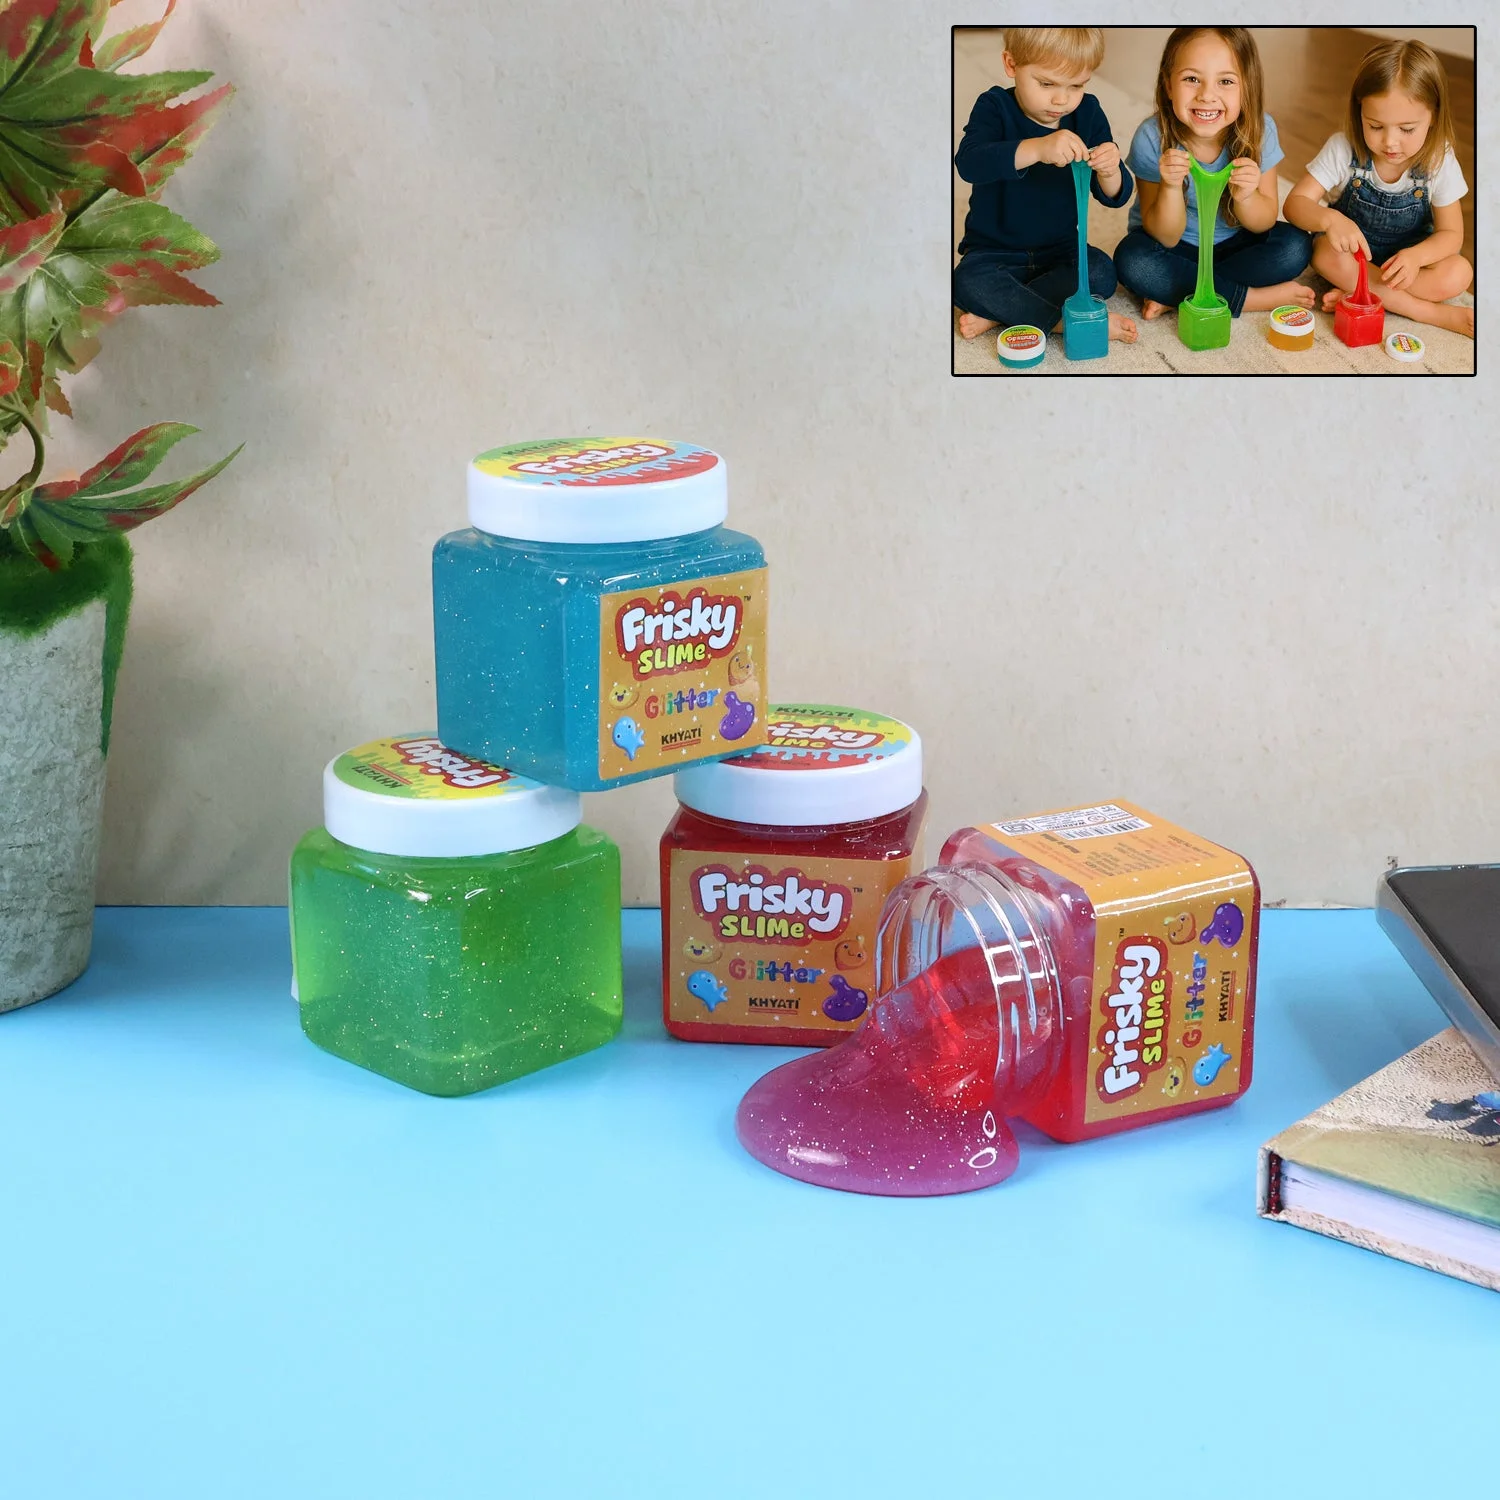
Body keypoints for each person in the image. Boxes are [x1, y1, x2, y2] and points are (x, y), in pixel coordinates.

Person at [953, 26, 1138, 345]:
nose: (1061, 99)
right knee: (966, 283)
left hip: (1060, 251)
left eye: (1076, 85)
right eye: (1047, 83)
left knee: (1101, 272)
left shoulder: (1088, 112)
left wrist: (1110, 170)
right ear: (1011, 64)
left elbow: (1115, 196)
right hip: (995, 252)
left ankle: (1005, 312)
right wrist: (1038, 148)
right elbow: (969, 162)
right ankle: (1063, 323)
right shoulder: (994, 106)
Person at [1114, 27, 1312, 321]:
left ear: (1247, 88)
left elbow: (1264, 222)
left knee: (1295, 246)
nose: (1207, 95)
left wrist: (1246, 197)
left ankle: (1182, 293)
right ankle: (1247, 299)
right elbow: (1165, 236)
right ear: (1169, 85)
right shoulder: (1152, 137)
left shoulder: (1260, 130)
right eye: (1192, 79)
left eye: (1226, 81)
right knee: (1133, 261)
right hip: (1177, 248)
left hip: (1236, 246)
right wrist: (1170, 187)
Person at [1283, 39, 1472, 339]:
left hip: (1407, 263)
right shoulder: (1343, 148)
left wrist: (1416, 258)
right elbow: (1295, 203)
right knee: (1322, 253)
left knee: (1459, 273)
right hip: (1353, 258)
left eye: (1407, 129)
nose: (1390, 142)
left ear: (1434, 116)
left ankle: (1360, 292)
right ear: (1359, 111)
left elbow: (1451, 235)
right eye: (1375, 126)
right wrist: (1329, 220)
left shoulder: (1439, 158)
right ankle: (1425, 312)